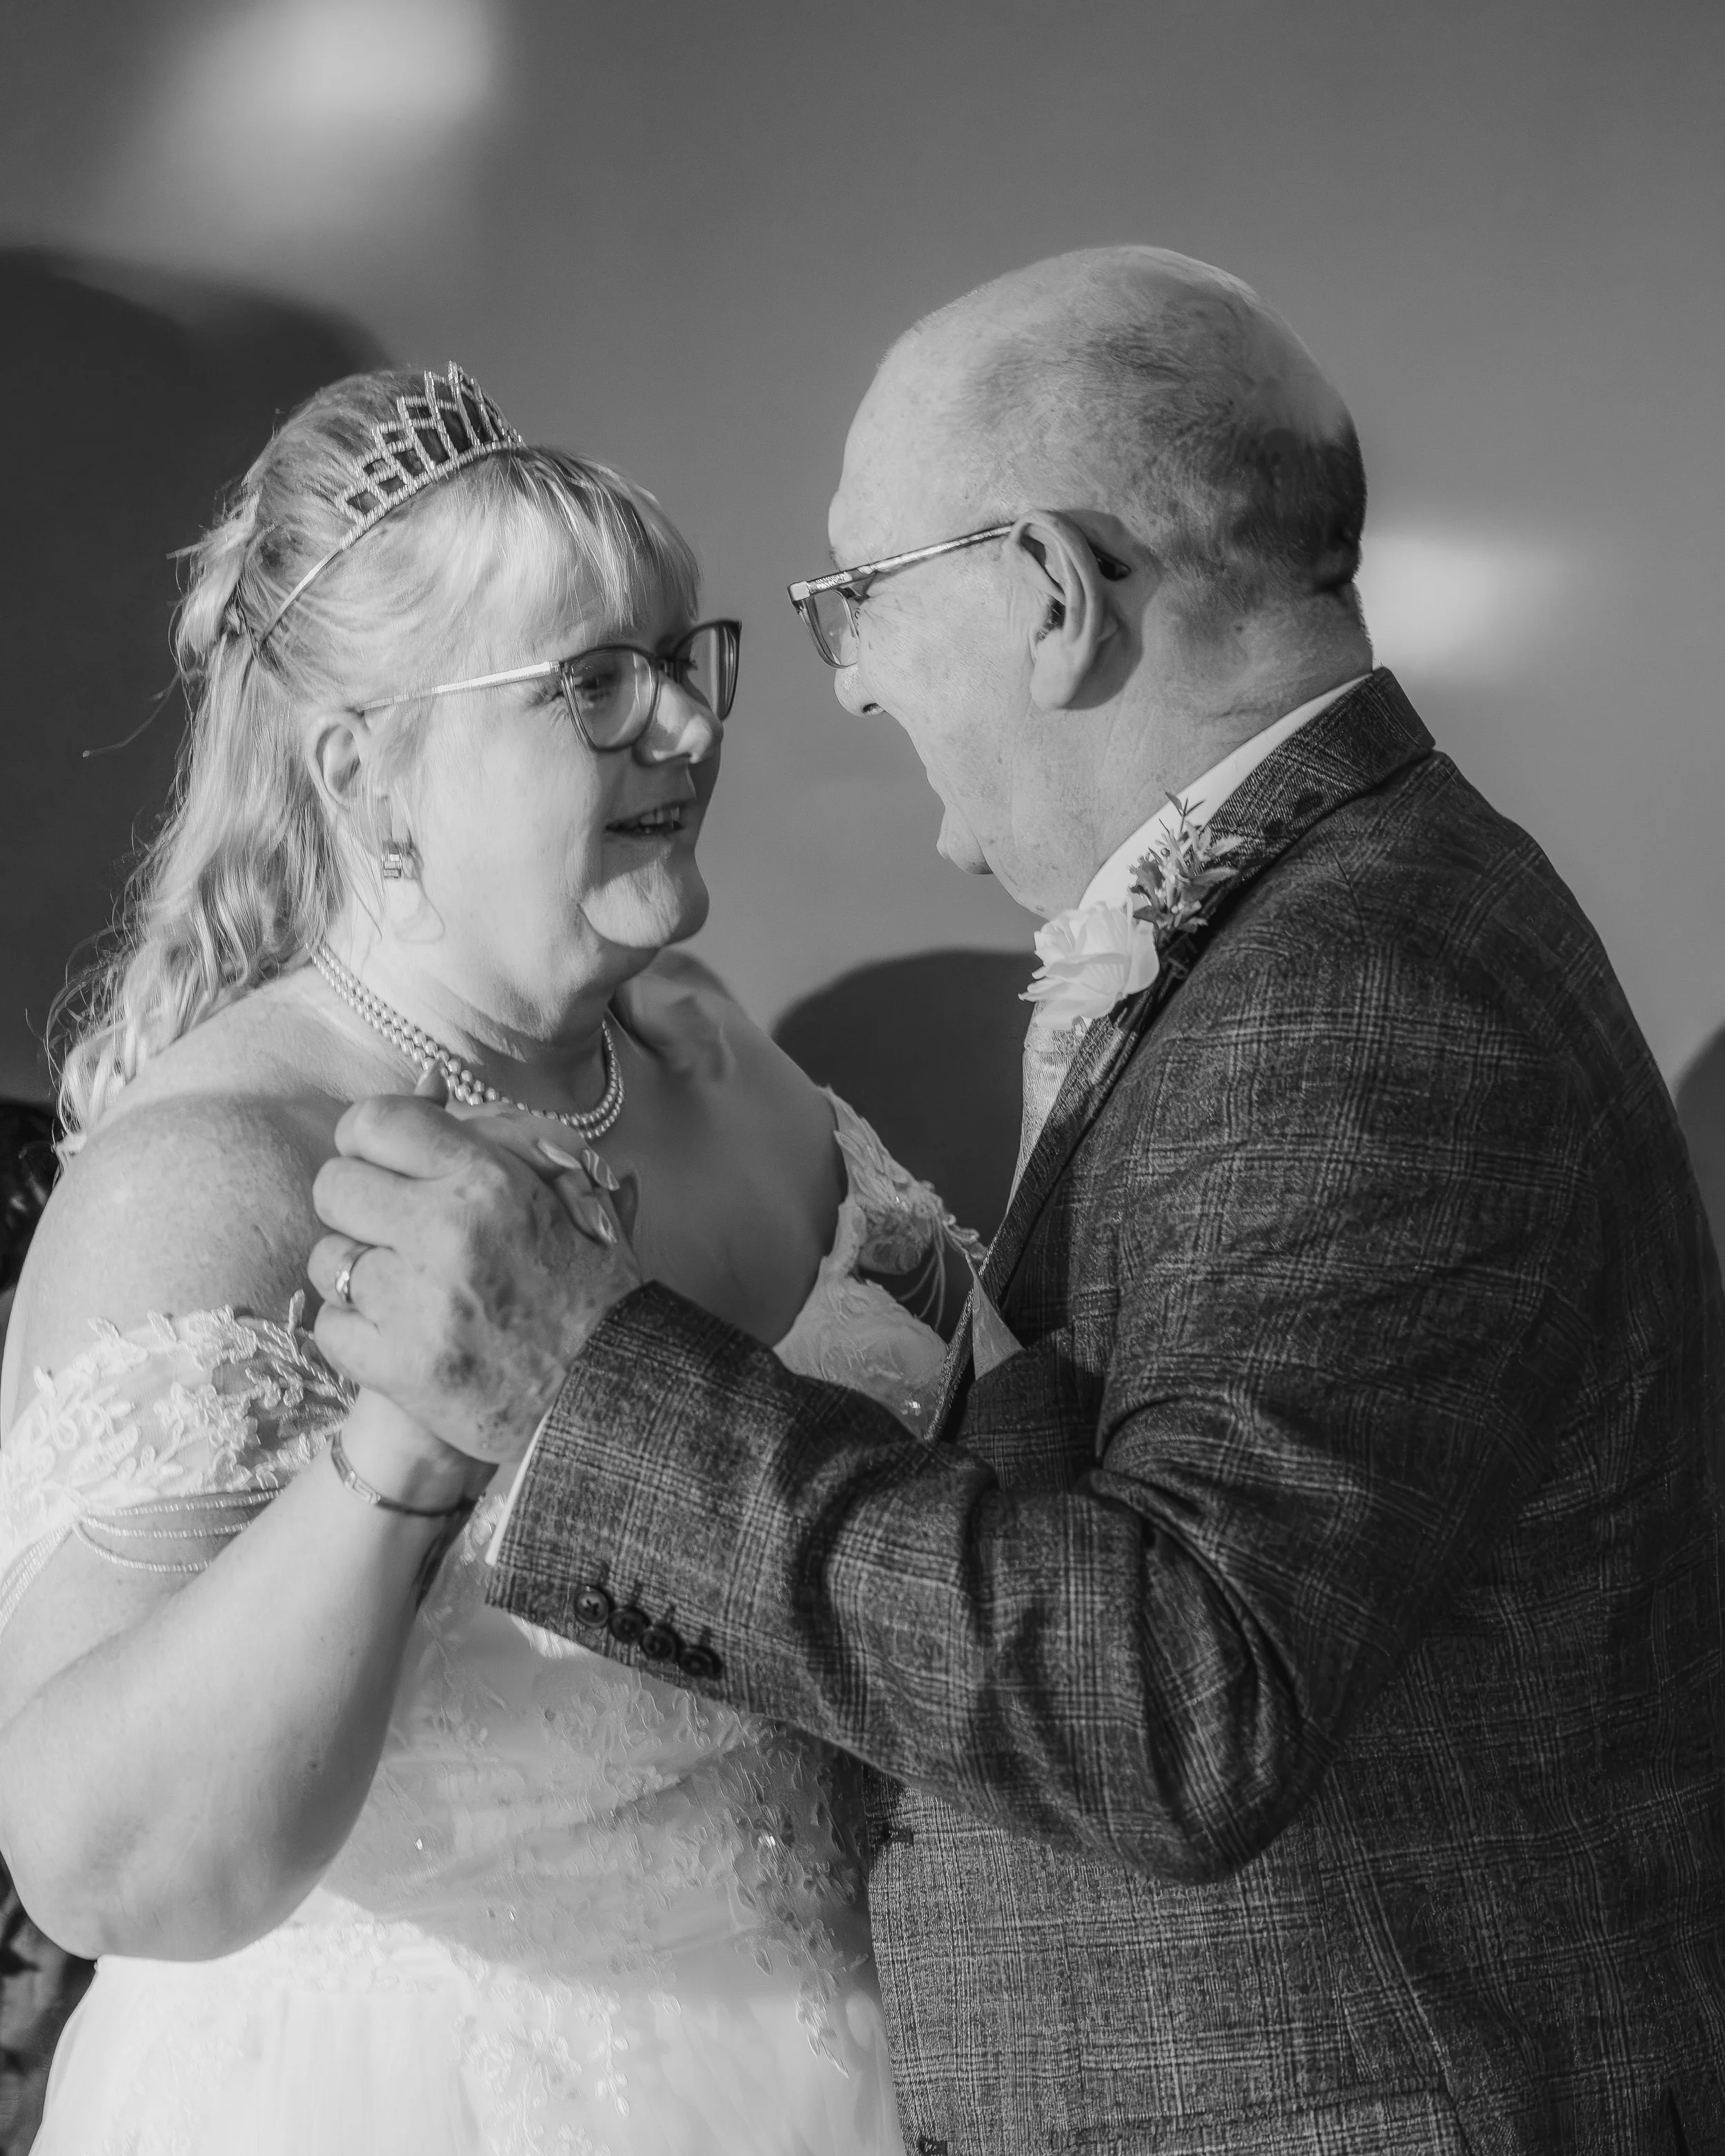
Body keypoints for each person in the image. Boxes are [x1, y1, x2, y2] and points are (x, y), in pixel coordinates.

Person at [312, 253, 1725, 2155]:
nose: (845, 678)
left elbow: (1182, 1690)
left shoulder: (1356, 986)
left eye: (850, 602)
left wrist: (585, 1382)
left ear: (1049, 594)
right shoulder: (1339, 914)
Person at [0, 364, 975, 2153]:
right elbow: (110, 1864)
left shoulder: (699, 1038)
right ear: (370, 774)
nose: (684, 728)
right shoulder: (214, 1172)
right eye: (593, 682)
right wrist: (409, 1448)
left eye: (687, 661)